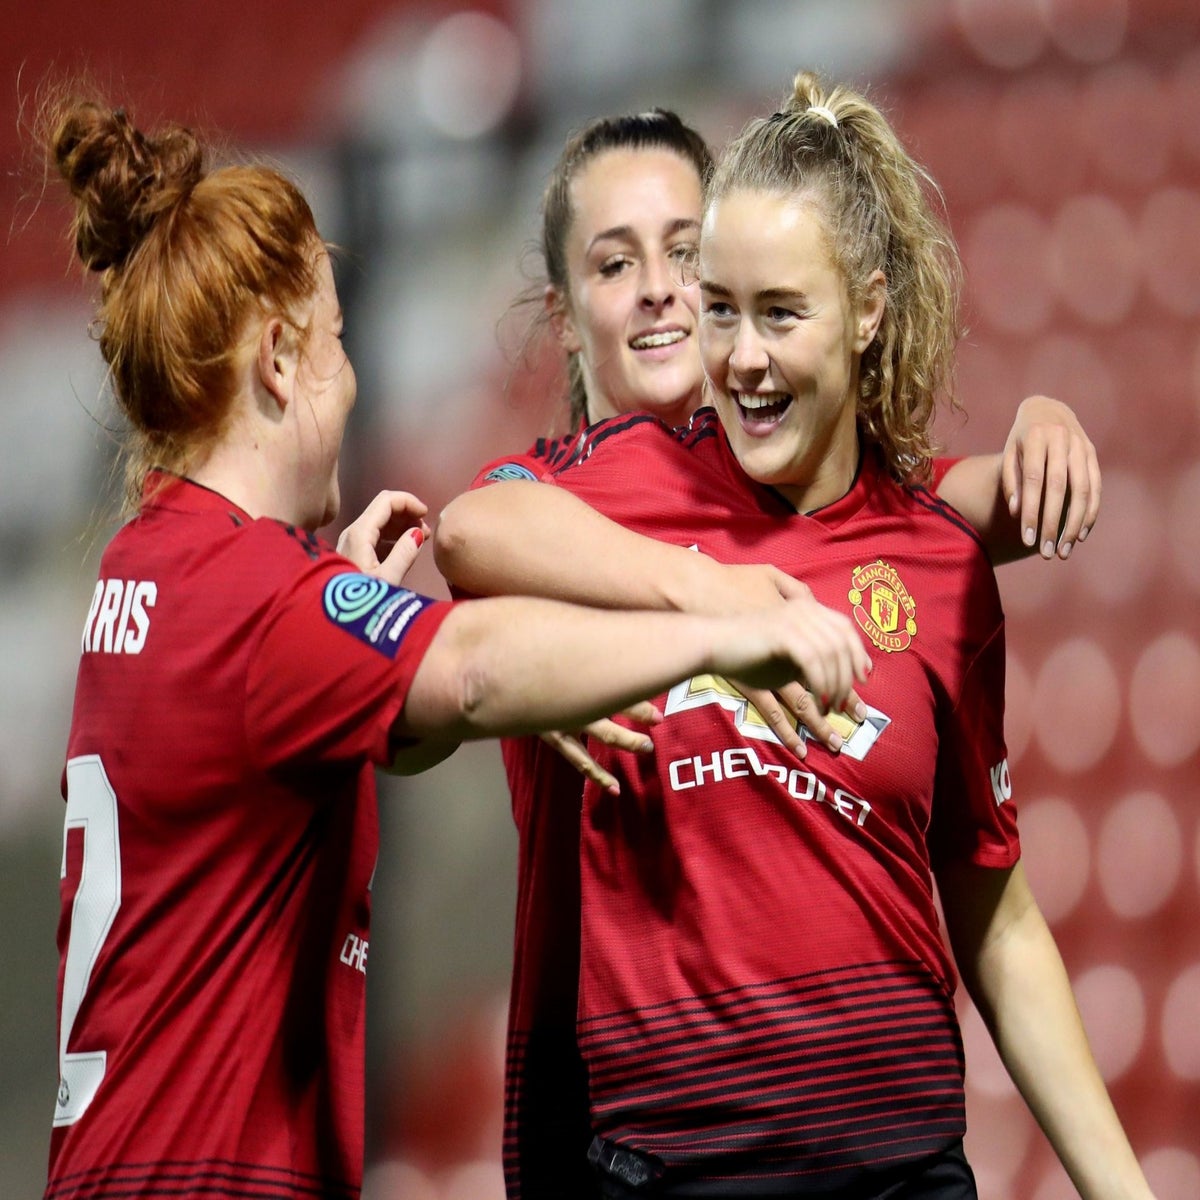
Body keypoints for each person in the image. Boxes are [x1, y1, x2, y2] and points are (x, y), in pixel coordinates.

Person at [40, 95, 876, 1200]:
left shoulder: (144, 568)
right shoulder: (258, 603)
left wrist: (337, 612)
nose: (352, 382)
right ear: (282, 361)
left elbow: (380, 723)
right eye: (339, 343)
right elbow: (475, 671)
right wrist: (729, 626)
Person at [436, 73, 1150, 1198]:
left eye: (777, 311)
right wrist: (719, 601)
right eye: (722, 309)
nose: (736, 351)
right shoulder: (626, 485)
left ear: (865, 308)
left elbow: (995, 913)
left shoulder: (935, 556)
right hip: (663, 1163)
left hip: (905, 1167)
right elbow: (471, 529)